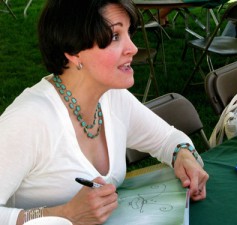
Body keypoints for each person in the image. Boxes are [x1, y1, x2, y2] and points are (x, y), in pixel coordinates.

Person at [0, 0, 209, 225]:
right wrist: (65, 214)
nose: (133, 48)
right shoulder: (29, 119)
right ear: (73, 51)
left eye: (129, 32)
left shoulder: (111, 97)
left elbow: (167, 138)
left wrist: (184, 156)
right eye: (115, 36)